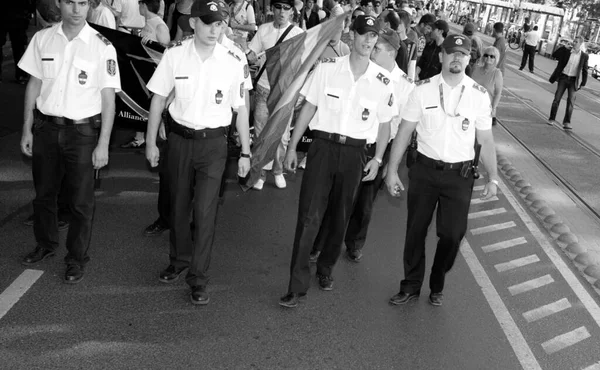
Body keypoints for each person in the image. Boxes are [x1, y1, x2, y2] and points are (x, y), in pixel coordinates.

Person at [279, 15, 395, 308]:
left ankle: (326, 268)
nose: (369, 41)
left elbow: (384, 125)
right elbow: (309, 108)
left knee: (340, 216)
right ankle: (296, 285)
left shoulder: (382, 81)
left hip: (356, 154)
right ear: (351, 36)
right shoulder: (328, 69)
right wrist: (293, 146)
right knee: (308, 216)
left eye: (374, 37)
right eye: (364, 35)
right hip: (323, 148)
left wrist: (378, 159)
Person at [145, 0, 251, 305]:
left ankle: (198, 276)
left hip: (214, 146)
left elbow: (240, 109)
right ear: (193, 23)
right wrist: (151, 142)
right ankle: (178, 260)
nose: (214, 30)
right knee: (178, 206)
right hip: (179, 140)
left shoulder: (234, 59)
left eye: (219, 24)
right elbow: (158, 99)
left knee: (205, 212)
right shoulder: (175, 55)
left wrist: (245, 151)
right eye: (208, 23)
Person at [384, 34, 498, 307]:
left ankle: (437, 277)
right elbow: (404, 132)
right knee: (415, 231)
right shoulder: (421, 90)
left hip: (459, 177)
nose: (457, 57)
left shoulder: (479, 96)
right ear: (441, 56)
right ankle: (411, 285)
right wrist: (391, 171)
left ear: (469, 59)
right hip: (424, 171)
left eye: (462, 53)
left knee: (453, 234)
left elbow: (486, 140)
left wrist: (494, 177)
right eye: (451, 52)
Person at [18, 0, 121, 283]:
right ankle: (46, 244)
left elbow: (108, 100)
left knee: (81, 202)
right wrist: (27, 129)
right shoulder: (42, 39)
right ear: (59, 5)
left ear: (88, 7)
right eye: (70, 2)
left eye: (82, 3)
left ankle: (76, 258)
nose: (77, 9)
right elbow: (34, 85)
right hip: (47, 129)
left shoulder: (102, 46)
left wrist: (103, 144)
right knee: (44, 195)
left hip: (83, 134)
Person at [309, 27, 414, 264]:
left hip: (380, 148)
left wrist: (391, 165)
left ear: (392, 53)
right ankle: (319, 244)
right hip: (355, 143)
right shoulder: (361, 70)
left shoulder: (406, 86)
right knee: (336, 197)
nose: (371, 50)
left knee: (364, 202)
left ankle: (354, 243)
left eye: (377, 47)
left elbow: (403, 130)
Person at [245, 0, 304, 190]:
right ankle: (260, 173)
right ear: (273, 9)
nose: (281, 12)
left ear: (292, 12)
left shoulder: (298, 34)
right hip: (263, 89)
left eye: (286, 8)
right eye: (278, 7)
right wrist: (248, 53)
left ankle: (277, 171)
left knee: (282, 136)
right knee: (261, 133)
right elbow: (252, 53)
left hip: (285, 92)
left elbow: (302, 64)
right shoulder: (263, 29)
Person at [548, 36, 588, 131]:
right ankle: (552, 119)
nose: (574, 43)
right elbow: (554, 55)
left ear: (580, 44)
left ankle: (567, 122)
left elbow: (585, 70)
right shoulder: (566, 51)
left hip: (573, 81)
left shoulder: (584, 56)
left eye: (576, 42)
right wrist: (563, 47)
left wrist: (583, 83)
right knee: (557, 98)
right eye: (574, 41)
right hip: (563, 78)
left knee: (571, 102)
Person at [1, 2, 35, 84]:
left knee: (18, 47)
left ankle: (21, 74)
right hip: (18, 16)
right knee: (19, 47)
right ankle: (21, 75)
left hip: (8, 16)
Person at [471, 46, 503, 126]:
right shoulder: (475, 69)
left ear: (496, 59)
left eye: (492, 56)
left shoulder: (497, 73)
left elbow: (498, 93)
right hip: (471, 105)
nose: (489, 57)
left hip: (485, 109)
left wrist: (494, 108)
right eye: (486, 55)